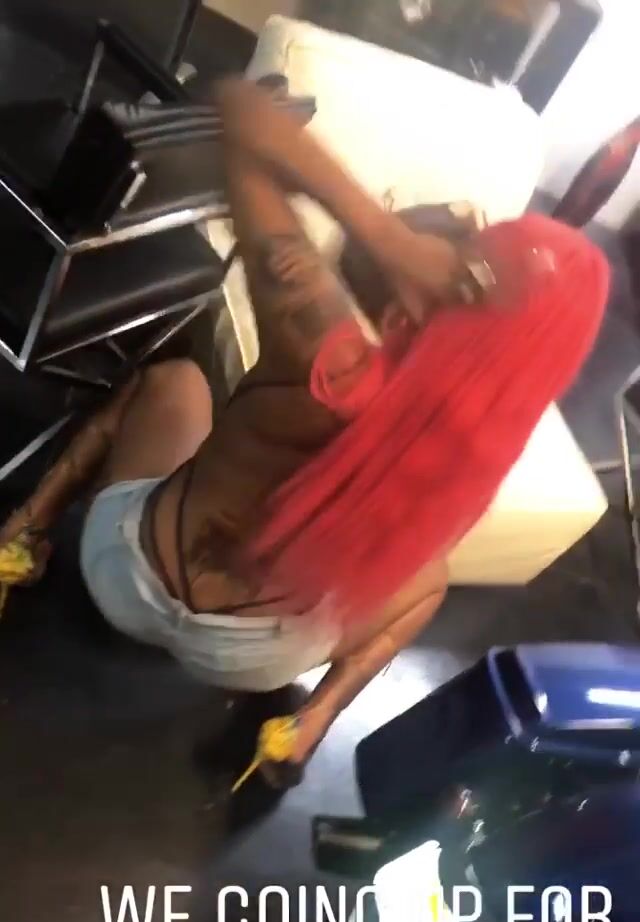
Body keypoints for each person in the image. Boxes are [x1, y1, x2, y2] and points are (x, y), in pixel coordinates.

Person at [0, 78, 609, 785]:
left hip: (124, 578)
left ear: (455, 275)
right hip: (247, 657)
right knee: (431, 581)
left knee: (175, 381)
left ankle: (21, 538)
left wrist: (388, 239)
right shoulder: (463, 472)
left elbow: (241, 107)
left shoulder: (327, 356)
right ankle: (304, 726)